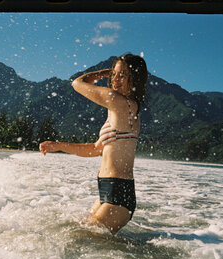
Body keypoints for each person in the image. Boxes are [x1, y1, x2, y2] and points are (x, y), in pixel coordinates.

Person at [39, 54, 148, 234]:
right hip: (108, 189)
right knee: (81, 238)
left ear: (134, 79)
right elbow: (95, 149)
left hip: (119, 194)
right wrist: (58, 146)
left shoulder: (118, 101)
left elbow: (77, 83)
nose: (115, 79)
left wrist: (103, 72)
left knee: (79, 239)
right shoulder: (119, 109)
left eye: (122, 75)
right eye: (114, 74)